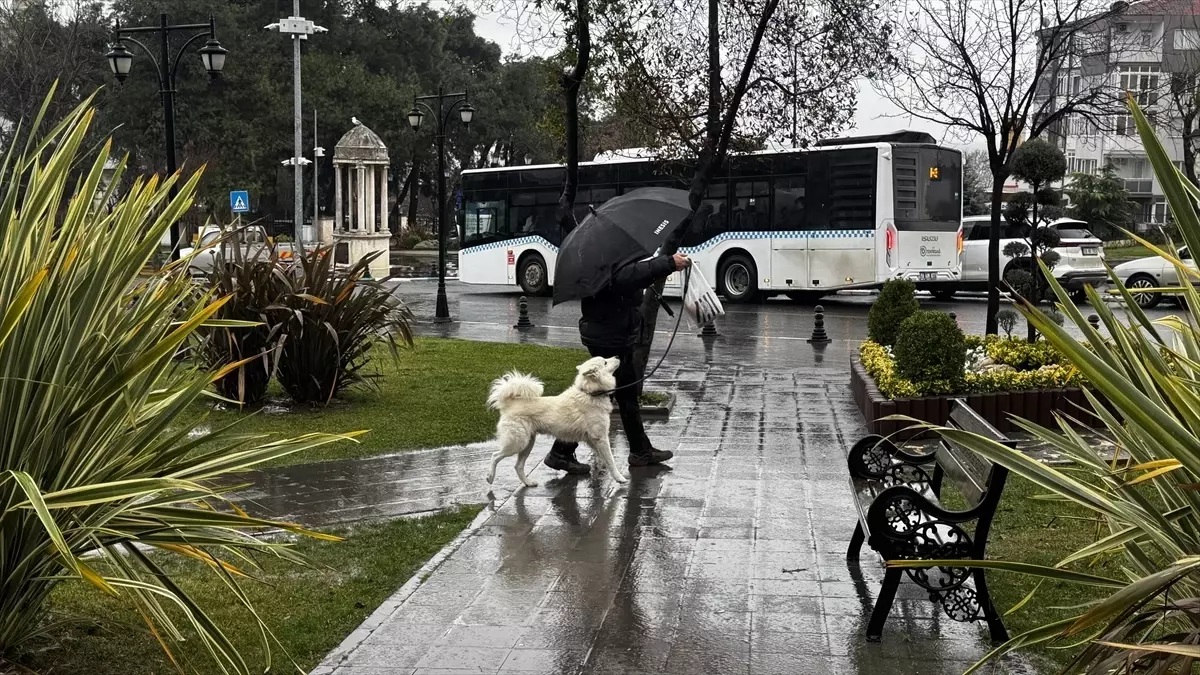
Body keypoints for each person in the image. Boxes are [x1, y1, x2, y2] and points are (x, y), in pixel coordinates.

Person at [544, 251, 692, 474]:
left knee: (627, 393)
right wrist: (669, 263)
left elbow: (632, 277)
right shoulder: (606, 258)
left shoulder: (605, 253)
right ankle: (561, 451)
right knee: (601, 397)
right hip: (609, 336)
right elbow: (629, 277)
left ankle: (640, 450)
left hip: (612, 332)